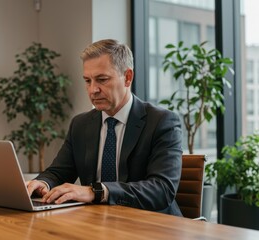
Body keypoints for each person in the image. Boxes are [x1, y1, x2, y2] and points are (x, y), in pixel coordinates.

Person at [26, 39, 183, 216]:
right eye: (87, 80)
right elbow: (58, 172)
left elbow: (162, 190)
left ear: (128, 77)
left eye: (102, 79)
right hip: (98, 222)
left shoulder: (162, 121)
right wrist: (43, 183)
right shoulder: (80, 124)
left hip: (152, 224)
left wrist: (97, 192)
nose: (93, 90)